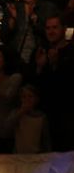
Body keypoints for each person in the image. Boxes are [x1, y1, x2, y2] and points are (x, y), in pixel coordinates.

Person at [32, 14, 74, 150]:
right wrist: (39, 67)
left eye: (55, 27)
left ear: (64, 29)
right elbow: (34, 86)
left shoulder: (71, 52)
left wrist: (55, 65)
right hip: (46, 114)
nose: (51, 31)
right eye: (48, 28)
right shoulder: (40, 51)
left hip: (67, 116)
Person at [0, 0, 58, 69]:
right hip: (16, 59)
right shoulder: (14, 8)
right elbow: (3, 37)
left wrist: (35, 22)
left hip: (40, 59)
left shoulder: (48, 8)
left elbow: (52, 35)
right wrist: (12, 21)